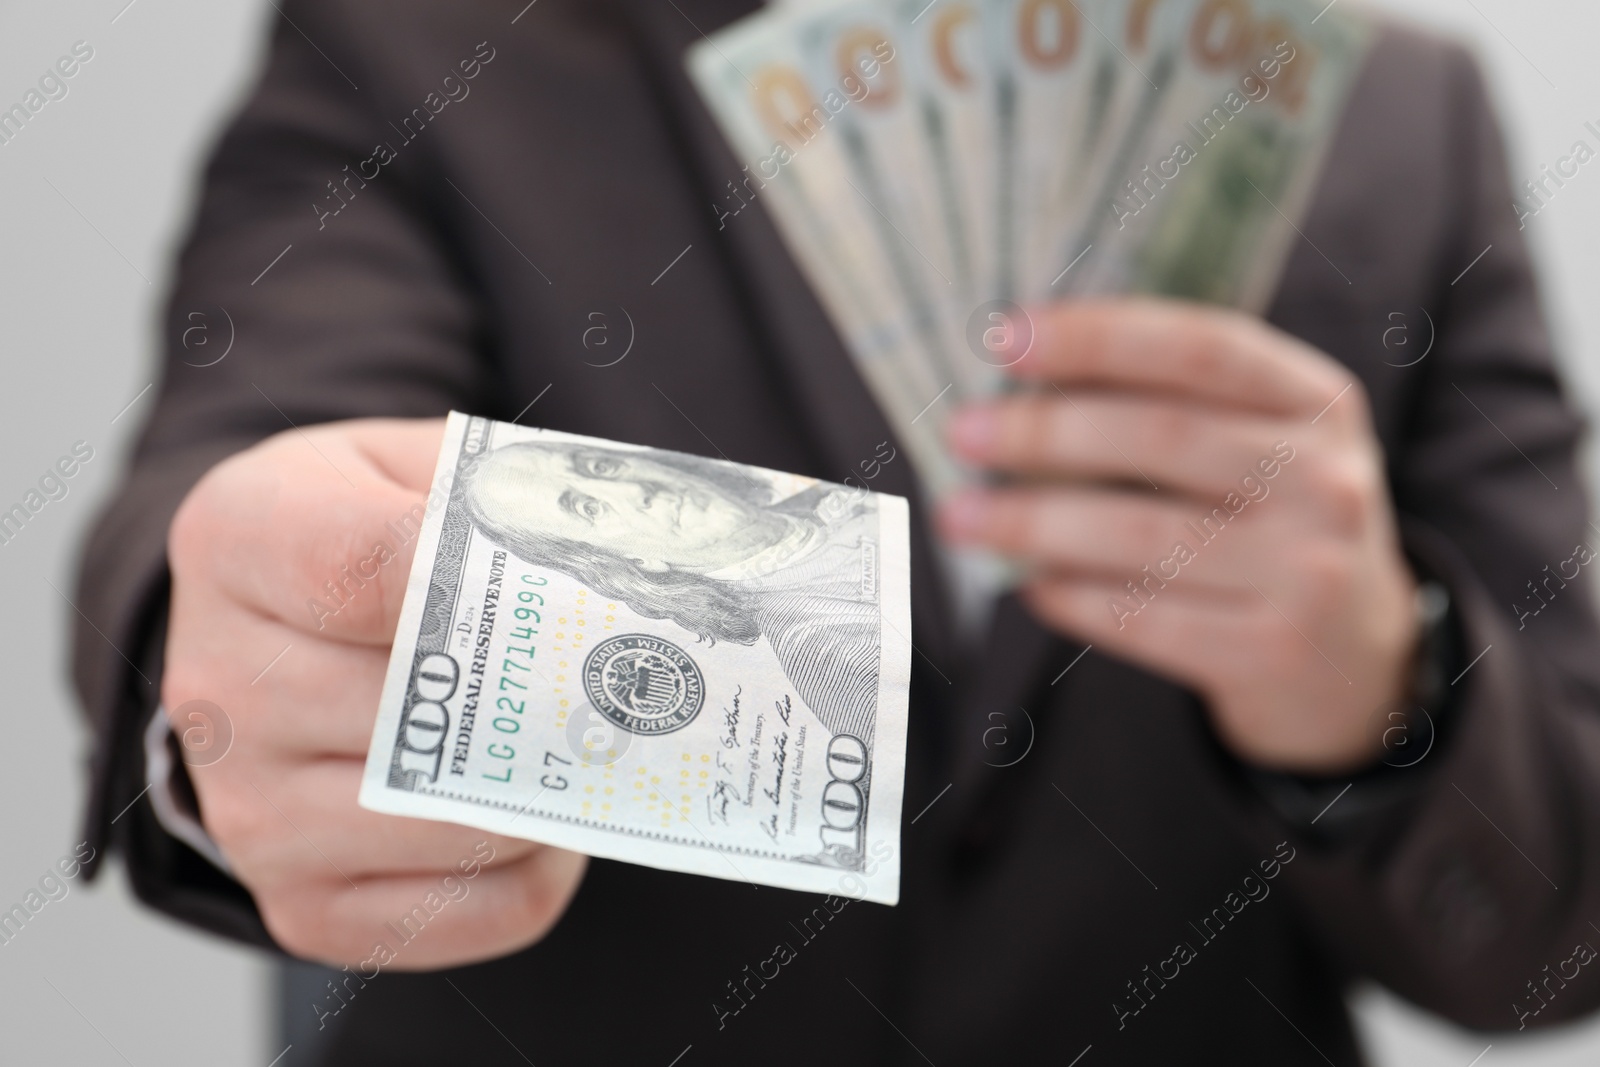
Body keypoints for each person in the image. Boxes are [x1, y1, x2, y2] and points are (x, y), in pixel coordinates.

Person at [69, 1, 1600, 1063]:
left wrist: (1388, 691)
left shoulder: (1406, 118)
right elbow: (239, 462)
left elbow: (1564, 933)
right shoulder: (431, 50)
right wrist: (238, 659)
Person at [460, 436, 886, 742]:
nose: (635, 491)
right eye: (590, 508)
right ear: (626, 561)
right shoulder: (825, 645)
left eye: (600, 468)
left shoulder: (822, 495)